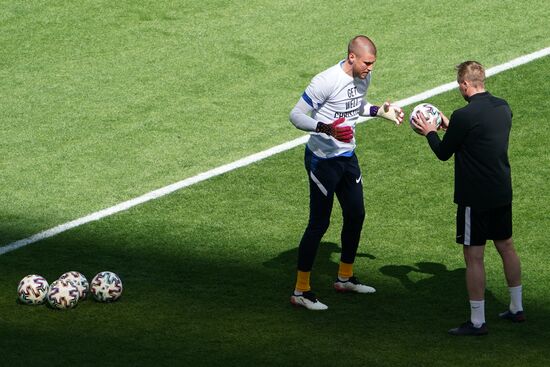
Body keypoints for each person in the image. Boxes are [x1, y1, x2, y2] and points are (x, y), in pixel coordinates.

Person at [288, 35, 404, 310]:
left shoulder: (362, 78)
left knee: (356, 214)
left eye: (373, 63)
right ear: (352, 57)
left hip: (347, 156)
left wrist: (378, 111)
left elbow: (355, 107)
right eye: (367, 63)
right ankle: (301, 291)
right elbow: (296, 115)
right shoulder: (325, 81)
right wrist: (327, 129)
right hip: (322, 160)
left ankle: (345, 277)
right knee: (319, 223)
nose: (370, 68)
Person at [411, 61, 525, 335]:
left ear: (464, 84)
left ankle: (477, 322)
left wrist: (429, 132)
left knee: (474, 257)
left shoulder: (464, 115)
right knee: (506, 247)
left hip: (475, 198)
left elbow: (443, 152)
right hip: (501, 191)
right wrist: (451, 126)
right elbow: (480, 138)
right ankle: (517, 308)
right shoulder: (503, 107)